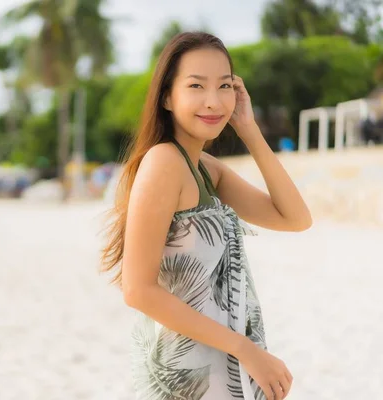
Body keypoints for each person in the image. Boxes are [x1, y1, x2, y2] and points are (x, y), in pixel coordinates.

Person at [100, 32, 312, 400]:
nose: (213, 101)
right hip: (187, 377)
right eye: (196, 85)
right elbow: (138, 290)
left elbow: (295, 218)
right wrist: (245, 349)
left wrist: (249, 129)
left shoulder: (207, 169)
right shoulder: (164, 162)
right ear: (167, 96)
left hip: (221, 367)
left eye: (224, 86)